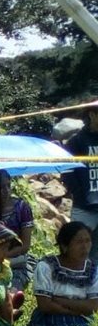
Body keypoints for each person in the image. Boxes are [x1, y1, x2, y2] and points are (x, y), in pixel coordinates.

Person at [63, 102, 98, 265]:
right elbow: (67, 172)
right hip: (84, 207)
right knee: (77, 252)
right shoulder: (76, 142)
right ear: (92, 115)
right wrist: (79, 194)